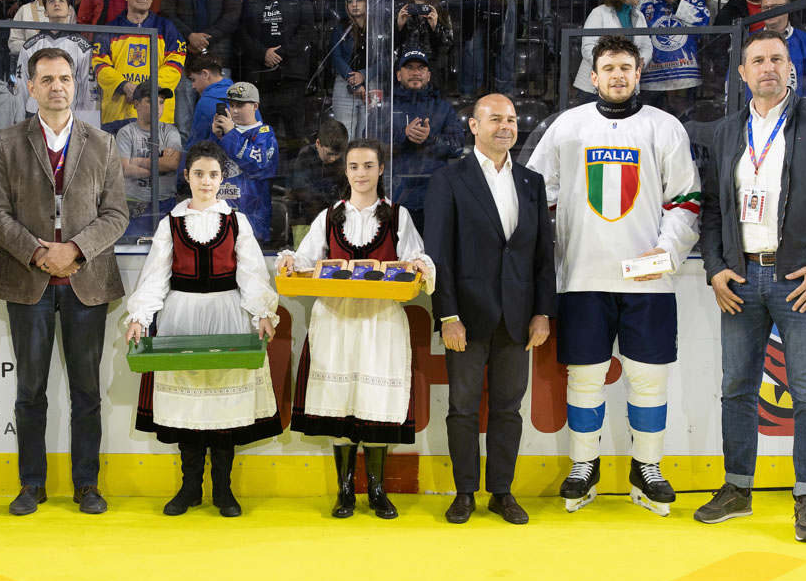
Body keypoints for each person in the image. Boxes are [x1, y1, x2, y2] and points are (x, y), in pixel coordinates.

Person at [695, 29, 806, 543]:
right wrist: (715, 267)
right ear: (742, 73)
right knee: (736, 388)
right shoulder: (727, 131)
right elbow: (711, 210)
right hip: (741, 278)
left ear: (791, 67)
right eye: (757, 60)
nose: (768, 67)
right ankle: (737, 488)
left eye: (777, 58)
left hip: (800, 280)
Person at [526, 35, 700, 517]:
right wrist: (552, 247)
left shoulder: (665, 127)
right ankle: (584, 466)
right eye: (609, 68)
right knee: (585, 378)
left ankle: (648, 468)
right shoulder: (567, 126)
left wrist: (666, 251)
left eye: (626, 67)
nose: (618, 75)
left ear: (639, 73)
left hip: (648, 282)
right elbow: (536, 193)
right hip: (583, 277)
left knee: (649, 379)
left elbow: (686, 199)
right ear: (594, 75)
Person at [0, 46, 129, 516]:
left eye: (64, 78)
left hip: (87, 283)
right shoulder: (7, 142)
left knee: (86, 392)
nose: (57, 87)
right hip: (30, 283)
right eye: (46, 79)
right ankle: (32, 484)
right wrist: (39, 252)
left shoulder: (102, 143)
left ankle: (87, 484)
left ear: (75, 84)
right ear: (31, 88)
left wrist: (75, 249)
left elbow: (117, 214)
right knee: (30, 392)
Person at [277, 138, 435, 519]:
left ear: (381, 169)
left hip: (381, 320)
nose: (361, 173)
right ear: (345, 171)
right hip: (336, 319)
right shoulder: (329, 216)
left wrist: (420, 266)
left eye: (368, 166)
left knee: (376, 404)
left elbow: (415, 258)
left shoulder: (398, 216)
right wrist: (289, 262)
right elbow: (304, 259)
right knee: (340, 400)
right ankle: (345, 490)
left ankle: (377, 489)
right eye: (353, 166)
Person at [123, 139, 279, 516]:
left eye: (213, 174)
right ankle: (190, 487)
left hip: (228, 316)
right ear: (187, 177)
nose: (206, 181)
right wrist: (140, 317)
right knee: (189, 406)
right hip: (181, 319)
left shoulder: (236, 222)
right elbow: (155, 277)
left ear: (222, 178)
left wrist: (262, 312)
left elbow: (252, 273)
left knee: (224, 406)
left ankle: (223, 490)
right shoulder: (171, 224)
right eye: (199, 174)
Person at [423, 94, 554, 525]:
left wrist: (542, 312)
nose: (506, 126)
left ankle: (501, 492)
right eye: (495, 119)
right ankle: (464, 493)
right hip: (466, 317)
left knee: (508, 410)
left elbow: (542, 255)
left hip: (518, 319)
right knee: (462, 408)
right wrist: (447, 316)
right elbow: (438, 254)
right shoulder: (448, 179)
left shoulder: (532, 182)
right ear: (474, 127)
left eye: (511, 119)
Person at [371, 48, 466, 230]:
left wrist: (430, 139)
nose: (415, 72)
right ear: (398, 75)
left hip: (434, 200)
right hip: (393, 199)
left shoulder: (443, 108)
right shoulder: (385, 109)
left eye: (420, 68)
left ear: (428, 75)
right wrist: (403, 136)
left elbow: (458, 147)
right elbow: (369, 145)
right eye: (409, 67)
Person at [159, 0, 241, 139]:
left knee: (220, 121)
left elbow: (232, 17)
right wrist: (189, 36)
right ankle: (185, 158)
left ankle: (215, 159)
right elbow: (167, 12)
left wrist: (203, 39)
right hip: (184, 59)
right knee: (183, 123)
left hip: (219, 61)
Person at [236, 0, 315, 156]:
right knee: (261, 133)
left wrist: (280, 53)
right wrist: (263, 53)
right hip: (260, 77)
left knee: (294, 134)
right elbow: (242, 33)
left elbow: (307, 29)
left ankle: (293, 175)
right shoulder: (250, 1)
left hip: (291, 75)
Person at [92, 0, 185, 129]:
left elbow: (175, 66)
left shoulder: (167, 28)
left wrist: (143, 89)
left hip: (157, 118)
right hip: (117, 116)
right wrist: (124, 85)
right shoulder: (108, 30)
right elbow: (100, 66)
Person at [205, 81, 278, 240]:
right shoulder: (224, 132)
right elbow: (205, 168)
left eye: (240, 105)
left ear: (255, 106)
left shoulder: (265, 133)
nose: (235, 110)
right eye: (231, 105)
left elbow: (258, 166)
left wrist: (231, 134)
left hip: (252, 219)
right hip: (220, 216)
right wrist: (215, 137)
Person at [15, 0, 96, 121]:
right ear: (45, 12)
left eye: (61, 0)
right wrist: (20, 119)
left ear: (69, 10)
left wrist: (88, 119)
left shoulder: (83, 46)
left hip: (70, 115)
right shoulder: (30, 46)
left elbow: (89, 85)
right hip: (35, 114)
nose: (56, 3)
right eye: (51, 1)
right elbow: (22, 83)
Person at [574, 0, 652, 103]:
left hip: (626, 85)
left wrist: (640, 61)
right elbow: (588, 48)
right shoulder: (598, 13)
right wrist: (608, 65)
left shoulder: (640, 16)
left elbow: (647, 46)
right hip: (594, 88)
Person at [637, 0, 709, 103]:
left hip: (685, 76)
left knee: (683, 115)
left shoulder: (693, 0)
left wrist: (676, 1)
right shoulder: (644, 2)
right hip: (651, 78)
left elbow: (703, 23)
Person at [116, 82, 182, 234]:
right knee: (133, 247)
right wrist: (159, 167)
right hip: (134, 205)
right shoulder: (126, 133)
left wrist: (138, 162)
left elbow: (172, 164)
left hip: (165, 203)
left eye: (161, 102)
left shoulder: (170, 131)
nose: (158, 107)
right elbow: (125, 169)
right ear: (136, 104)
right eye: (151, 101)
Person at [748, 0, 806, 102]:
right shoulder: (749, 40)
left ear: (788, 8)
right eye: (766, 8)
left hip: (796, 109)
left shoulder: (805, 40)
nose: (769, 12)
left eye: (775, 7)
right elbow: (736, 80)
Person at [330, 0, 379, 138]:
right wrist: (355, 82)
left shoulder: (377, 28)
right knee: (344, 135)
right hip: (344, 83)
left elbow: (385, 59)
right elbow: (336, 58)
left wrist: (364, 75)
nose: (354, 5)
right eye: (350, 2)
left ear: (367, 3)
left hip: (371, 83)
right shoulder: (341, 28)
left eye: (358, 0)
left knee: (368, 135)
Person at [394, 0, 452, 92]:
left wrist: (435, 28)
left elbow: (447, 46)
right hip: (406, 65)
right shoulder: (401, 12)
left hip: (431, 68)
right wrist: (399, 27)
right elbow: (389, 46)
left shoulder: (441, 14)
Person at [287, 118, 348, 228]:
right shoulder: (306, 156)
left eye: (337, 155)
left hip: (337, 212)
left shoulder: (343, 158)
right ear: (318, 143)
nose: (333, 159)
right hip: (310, 214)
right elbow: (300, 190)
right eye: (329, 154)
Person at [181, 52, 234, 150]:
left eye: (193, 80)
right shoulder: (244, 98)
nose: (193, 86)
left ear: (205, 74)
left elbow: (195, 145)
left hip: (216, 158)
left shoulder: (206, 103)